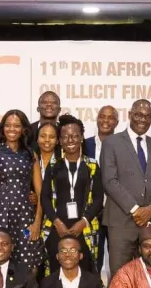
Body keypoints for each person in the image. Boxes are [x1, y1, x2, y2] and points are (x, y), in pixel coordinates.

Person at [101, 99, 151, 273]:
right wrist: (136, 210)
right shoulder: (111, 143)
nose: (142, 119)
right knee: (120, 276)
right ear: (130, 115)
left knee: (150, 276)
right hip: (121, 222)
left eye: (147, 116)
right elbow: (110, 181)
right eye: (138, 115)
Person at [0, 109, 44, 272]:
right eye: (8, 125)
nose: (11, 129)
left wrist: (37, 222)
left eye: (16, 125)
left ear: (23, 129)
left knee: (30, 264)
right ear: (2, 128)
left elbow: (41, 192)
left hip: (25, 215)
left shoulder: (31, 155)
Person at [41, 115, 104, 274]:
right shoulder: (53, 165)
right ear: (60, 141)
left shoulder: (92, 165)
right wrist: (57, 223)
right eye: (65, 136)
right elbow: (45, 198)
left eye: (75, 136)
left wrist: (83, 221)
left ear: (82, 138)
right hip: (57, 228)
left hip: (84, 228)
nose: (70, 140)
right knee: (55, 271)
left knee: (85, 271)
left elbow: (98, 198)